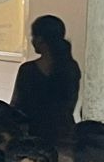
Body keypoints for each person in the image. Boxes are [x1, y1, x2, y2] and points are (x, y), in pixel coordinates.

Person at [8, 15, 81, 145]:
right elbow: (70, 103)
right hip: (63, 132)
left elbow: (17, 105)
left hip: (33, 133)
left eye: (33, 36)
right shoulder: (71, 67)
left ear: (40, 39)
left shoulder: (28, 70)